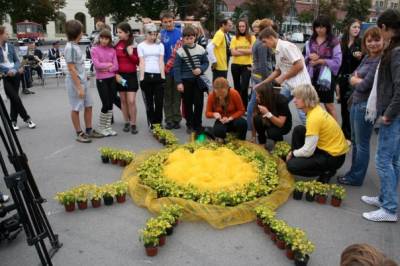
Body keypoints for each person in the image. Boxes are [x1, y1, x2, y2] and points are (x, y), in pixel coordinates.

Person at [362, 9, 400, 223]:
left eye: (380, 29)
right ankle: (386, 198)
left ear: (385, 28)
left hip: (393, 114)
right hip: (393, 113)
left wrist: (388, 114)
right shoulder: (394, 48)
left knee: (384, 160)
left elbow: (399, 88)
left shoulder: (396, 51)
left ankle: (390, 208)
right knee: (393, 160)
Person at [337, 27, 383, 186]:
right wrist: (355, 80)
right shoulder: (368, 58)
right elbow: (352, 76)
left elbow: (365, 85)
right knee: (356, 142)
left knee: (362, 144)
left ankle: (356, 177)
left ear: (383, 40)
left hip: (366, 106)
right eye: (369, 41)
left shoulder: (379, 60)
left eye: (377, 40)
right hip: (356, 102)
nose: (373, 44)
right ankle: (353, 172)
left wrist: (356, 80)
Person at [286, 84, 348, 183]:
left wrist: (293, 153)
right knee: (299, 130)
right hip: (332, 151)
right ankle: (306, 161)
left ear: (306, 99)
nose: (294, 100)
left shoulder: (314, 117)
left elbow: (308, 151)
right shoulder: (315, 109)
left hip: (334, 157)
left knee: (291, 166)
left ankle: (326, 171)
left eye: (297, 98)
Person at [255, 27, 311, 124]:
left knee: (304, 114)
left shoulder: (286, 46)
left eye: (264, 41)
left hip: (301, 85)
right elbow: (277, 71)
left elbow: (299, 65)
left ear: (271, 37)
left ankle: (313, 136)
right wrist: (263, 83)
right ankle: (279, 127)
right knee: (277, 103)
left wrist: (283, 77)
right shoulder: (276, 50)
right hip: (289, 86)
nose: (264, 45)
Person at [64, 20, 102, 143]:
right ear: (77, 33)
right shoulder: (70, 48)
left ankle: (89, 129)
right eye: (81, 31)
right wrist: (79, 87)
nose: (83, 33)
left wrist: (84, 76)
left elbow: (78, 66)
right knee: (76, 107)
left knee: (88, 105)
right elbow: (71, 68)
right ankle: (79, 132)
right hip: (75, 83)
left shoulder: (75, 45)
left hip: (82, 80)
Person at [305, 15, 342, 121]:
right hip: (312, 76)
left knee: (329, 106)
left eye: (322, 27)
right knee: (313, 105)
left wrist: (320, 60)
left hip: (326, 78)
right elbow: (305, 58)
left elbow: (337, 61)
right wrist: (310, 58)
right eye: (317, 27)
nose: (319, 29)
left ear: (327, 27)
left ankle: (336, 131)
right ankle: (318, 128)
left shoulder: (333, 42)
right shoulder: (310, 41)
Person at [174, 26, 209, 134]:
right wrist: (179, 82)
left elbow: (206, 62)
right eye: (187, 38)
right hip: (186, 81)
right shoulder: (180, 52)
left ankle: (198, 124)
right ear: (183, 39)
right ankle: (189, 124)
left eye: (191, 37)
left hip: (197, 80)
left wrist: (201, 69)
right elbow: (177, 68)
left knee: (199, 103)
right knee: (187, 104)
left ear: (195, 37)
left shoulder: (201, 49)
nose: (189, 40)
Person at [0, 26, 36, 131]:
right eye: (6, 33)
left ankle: (13, 121)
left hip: (15, 75)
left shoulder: (10, 46)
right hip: (4, 77)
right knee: (15, 97)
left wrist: (15, 69)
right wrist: (8, 71)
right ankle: (27, 118)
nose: (8, 35)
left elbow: (16, 61)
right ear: (1, 34)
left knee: (14, 99)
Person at [248, 19, 276, 142]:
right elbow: (264, 64)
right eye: (271, 27)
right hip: (262, 76)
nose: (273, 29)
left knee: (255, 102)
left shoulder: (258, 41)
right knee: (254, 103)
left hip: (258, 75)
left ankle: (255, 130)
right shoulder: (262, 43)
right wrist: (267, 80)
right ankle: (253, 129)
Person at [337, 19, 363, 140]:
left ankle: (349, 134)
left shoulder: (361, 43)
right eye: (354, 27)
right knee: (343, 107)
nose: (357, 29)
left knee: (350, 108)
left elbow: (365, 61)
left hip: (354, 79)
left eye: (358, 27)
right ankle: (345, 131)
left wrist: (360, 57)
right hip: (342, 79)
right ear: (349, 28)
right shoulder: (341, 42)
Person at [91, 29, 119, 137]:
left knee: (111, 103)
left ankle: (108, 127)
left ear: (109, 40)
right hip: (101, 80)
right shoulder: (94, 49)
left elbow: (116, 66)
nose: (103, 40)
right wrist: (109, 65)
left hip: (111, 79)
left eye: (106, 38)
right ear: (99, 38)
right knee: (106, 104)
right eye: (102, 38)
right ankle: (101, 128)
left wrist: (107, 68)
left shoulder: (112, 50)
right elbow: (97, 65)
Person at [138, 23, 165, 129]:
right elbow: (141, 62)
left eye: (155, 34)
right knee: (149, 102)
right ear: (146, 34)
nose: (153, 37)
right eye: (151, 34)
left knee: (159, 102)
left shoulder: (160, 45)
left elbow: (161, 61)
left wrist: (163, 76)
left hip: (158, 75)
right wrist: (141, 77)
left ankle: (158, 123)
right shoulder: (141, 46)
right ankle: (152, 123)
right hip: (147, 75)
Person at [115, 22, 139, 134]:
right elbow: (113, 60)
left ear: (127, 32)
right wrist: (116, 74)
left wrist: (130, 54)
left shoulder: (134, 44)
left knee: (131, 101)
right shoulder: (117, 44)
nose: (118, 34)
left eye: (120, 32)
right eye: (117, 32)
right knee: (123, 101)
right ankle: (126, 122)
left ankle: (133, 123)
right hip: (120, 76)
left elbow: (138, 61)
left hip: (131, 76)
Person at [160, 10, 182, 130]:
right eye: (165, 22)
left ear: (173, 20)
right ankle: (168, 119)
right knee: (167, 96)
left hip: (178, 69)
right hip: (166, 70)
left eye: (170, 21)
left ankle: (176, 119)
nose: (168, 24)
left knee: (177, 96)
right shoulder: (160, 35)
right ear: (162, 23)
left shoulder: (180, 33)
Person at [230, 19, 256, 109]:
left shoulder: (252, 38)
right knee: (237, 87)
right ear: (237, 27)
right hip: (235, 65)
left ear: (246, 27)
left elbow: (252, 51)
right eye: (240, 26)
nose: (241, 28)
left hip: (247, 66)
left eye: (243, 26)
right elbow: (233, 53)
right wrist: (246, 51)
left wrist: (239, 50)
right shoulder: (234, 38)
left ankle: (244, 107)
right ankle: (237, 106)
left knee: (244, 87)